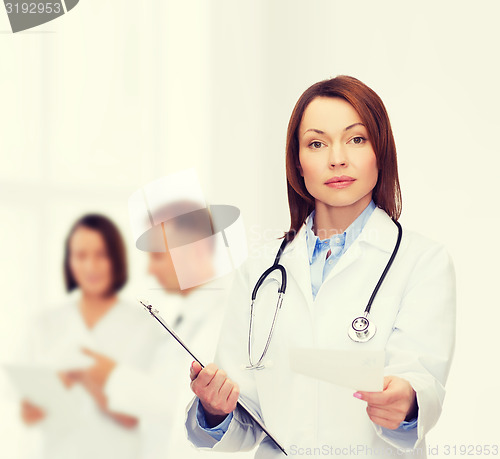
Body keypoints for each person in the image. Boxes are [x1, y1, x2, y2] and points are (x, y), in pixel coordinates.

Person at [185, 75, 456, 458]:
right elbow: (247, 418)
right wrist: (216, 409)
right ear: (298, 163)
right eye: (316, 143)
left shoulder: (423, 262)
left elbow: (421, 383)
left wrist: (407, 403)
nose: (337, 158)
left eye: (356, 139)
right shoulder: (261, 270)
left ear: (381, 150)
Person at [74, 205, 255, 458]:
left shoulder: (228, 317)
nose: (150, 270)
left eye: (158, 256)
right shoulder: (184, 318)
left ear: (196, 250)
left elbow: (191, 407)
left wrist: (112, 377)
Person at [20, 214, 165, 459]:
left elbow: (136, 415)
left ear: (116, 259)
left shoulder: (144, 326)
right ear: (69, 261)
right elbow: (28, 414)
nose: (90, 266)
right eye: (81, 255)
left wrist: (84, 375)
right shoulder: (45, 323)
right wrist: (43, 399)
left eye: (101, 255)